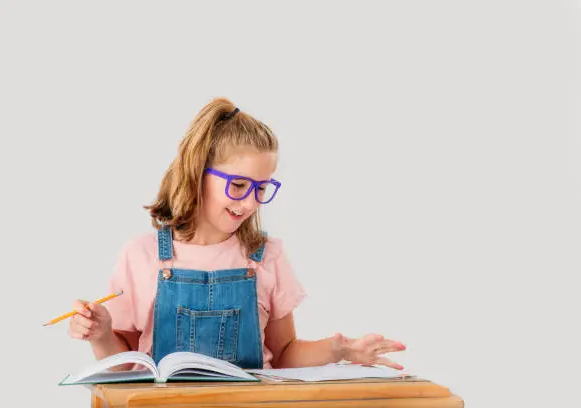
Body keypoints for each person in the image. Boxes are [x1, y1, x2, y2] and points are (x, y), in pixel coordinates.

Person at [68, 97, 406, 370]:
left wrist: (340, 349)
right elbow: (124, 364)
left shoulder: (266, 255)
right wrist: (100, 335)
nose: (249, 202)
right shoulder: (141, 255)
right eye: (239, 184)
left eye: (261, 188)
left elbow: (284, 352)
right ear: (197, 172)